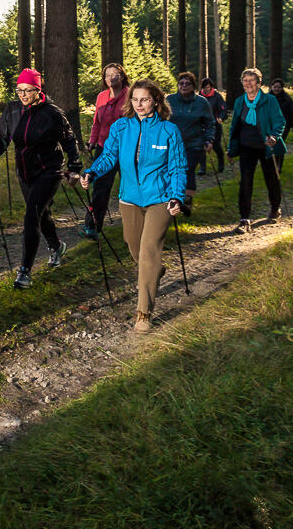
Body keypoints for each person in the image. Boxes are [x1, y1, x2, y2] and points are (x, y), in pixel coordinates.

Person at [81, 80, 186, 333]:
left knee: (149, 251)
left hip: (159, 199)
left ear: (156, 101)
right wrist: (92, 172)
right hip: (129, 199)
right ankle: (155, 271)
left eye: (145, 100)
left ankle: (143, 313)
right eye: (135, 100)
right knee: (134, 248)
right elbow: (108, 157)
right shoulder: (120, 127)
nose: (139, 105)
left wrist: (177, 196)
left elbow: (178, 167)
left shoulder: (169, 131)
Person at [0, 68, 83, 290]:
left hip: (50, 170)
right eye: (19, 90)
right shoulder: (13, 110)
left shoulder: (52, 113)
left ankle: (25, 271)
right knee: (40, 214)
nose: (23, 95)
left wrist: (74, 168)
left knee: (31, 215)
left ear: (38, 90)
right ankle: (56, 246)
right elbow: (1, 138)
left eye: (28, 90)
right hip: (25, 172)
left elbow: (69, 140)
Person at [227, 67, 286, 233]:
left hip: (267, 146)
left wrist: (274, 136)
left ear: (259, 83)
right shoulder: (240, 101)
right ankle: (244, 219)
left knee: (272, 179)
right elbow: (234, 127)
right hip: (247, 146)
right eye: (245, 81)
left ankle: (275, 209)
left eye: (251, 80)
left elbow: (279, 121)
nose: (248, 83)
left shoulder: (269, 100)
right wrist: (231, 149)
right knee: (245, 182)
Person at [83, 62, 131, 239]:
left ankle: (139, 225)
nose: (111, 78)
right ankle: (93, 226)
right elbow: (97, 122)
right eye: (107, 75)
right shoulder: (102, 96)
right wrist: (92, 142)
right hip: (104, 149)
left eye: (114, 74)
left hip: (127, 149)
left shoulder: (130, 95)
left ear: (122, 75)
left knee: (131, 187)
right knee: (100, 188)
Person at [165, 71, 214, 215]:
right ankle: (174, 199)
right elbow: (162, 120)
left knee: (187, 169)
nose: (184, 86)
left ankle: (187, 201)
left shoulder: (201, 102)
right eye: (181, 83)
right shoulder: (170, 100)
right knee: (172, 171)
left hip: (194, 143)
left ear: (193, 86)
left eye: (188, 83)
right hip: (173, 144)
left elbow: (210, 123)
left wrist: (209, 139)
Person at [199, 76, 229, 173]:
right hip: (202, 125)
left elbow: (223, 109)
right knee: (202, 146)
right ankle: (202, 168)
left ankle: (221, 163)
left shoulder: (217, 96)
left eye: (208, 87)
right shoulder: (199, 96)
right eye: (204, 88)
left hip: (215, 124)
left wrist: (221, 117)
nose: (206, 90)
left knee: (216, 145)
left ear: (211, 87)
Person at [269, 78, 293, 172]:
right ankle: (271, 165)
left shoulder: (287, 98)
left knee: (279, 145)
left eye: (279, 87)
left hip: (283, 126)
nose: (277, 89)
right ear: (271, 87)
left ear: (282, 88)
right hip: (269, 125)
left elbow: (292, 112)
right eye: (275, 87)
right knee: (270, 145)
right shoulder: (266, 98)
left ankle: (278, 165)